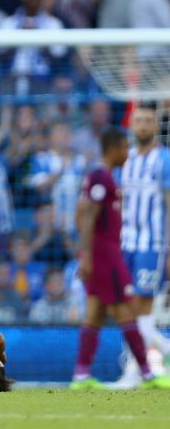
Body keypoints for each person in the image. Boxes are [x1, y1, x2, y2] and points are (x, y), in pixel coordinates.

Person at [70, 127, 170, 389]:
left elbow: (81, 210)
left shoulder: (101, 176)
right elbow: (87, 214)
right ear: (112, 148)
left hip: (103, 253)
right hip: (107, 256)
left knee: (93, 314)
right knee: (128, 311)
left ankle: (81, 376)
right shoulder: (101, 176)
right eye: (125, 147)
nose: (128, 153)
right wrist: (88, 256)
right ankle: (148, 373)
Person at [115, 103, 170, 387]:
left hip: (154, 244)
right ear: (132, 125)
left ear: (156, 125)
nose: (144, 125)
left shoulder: (164, 159)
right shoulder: (128, 158)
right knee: (126, 309)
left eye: (149, 120)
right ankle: (160, 353)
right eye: (139, 120)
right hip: (127, 245)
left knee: (140, 308)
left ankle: (133, 373)